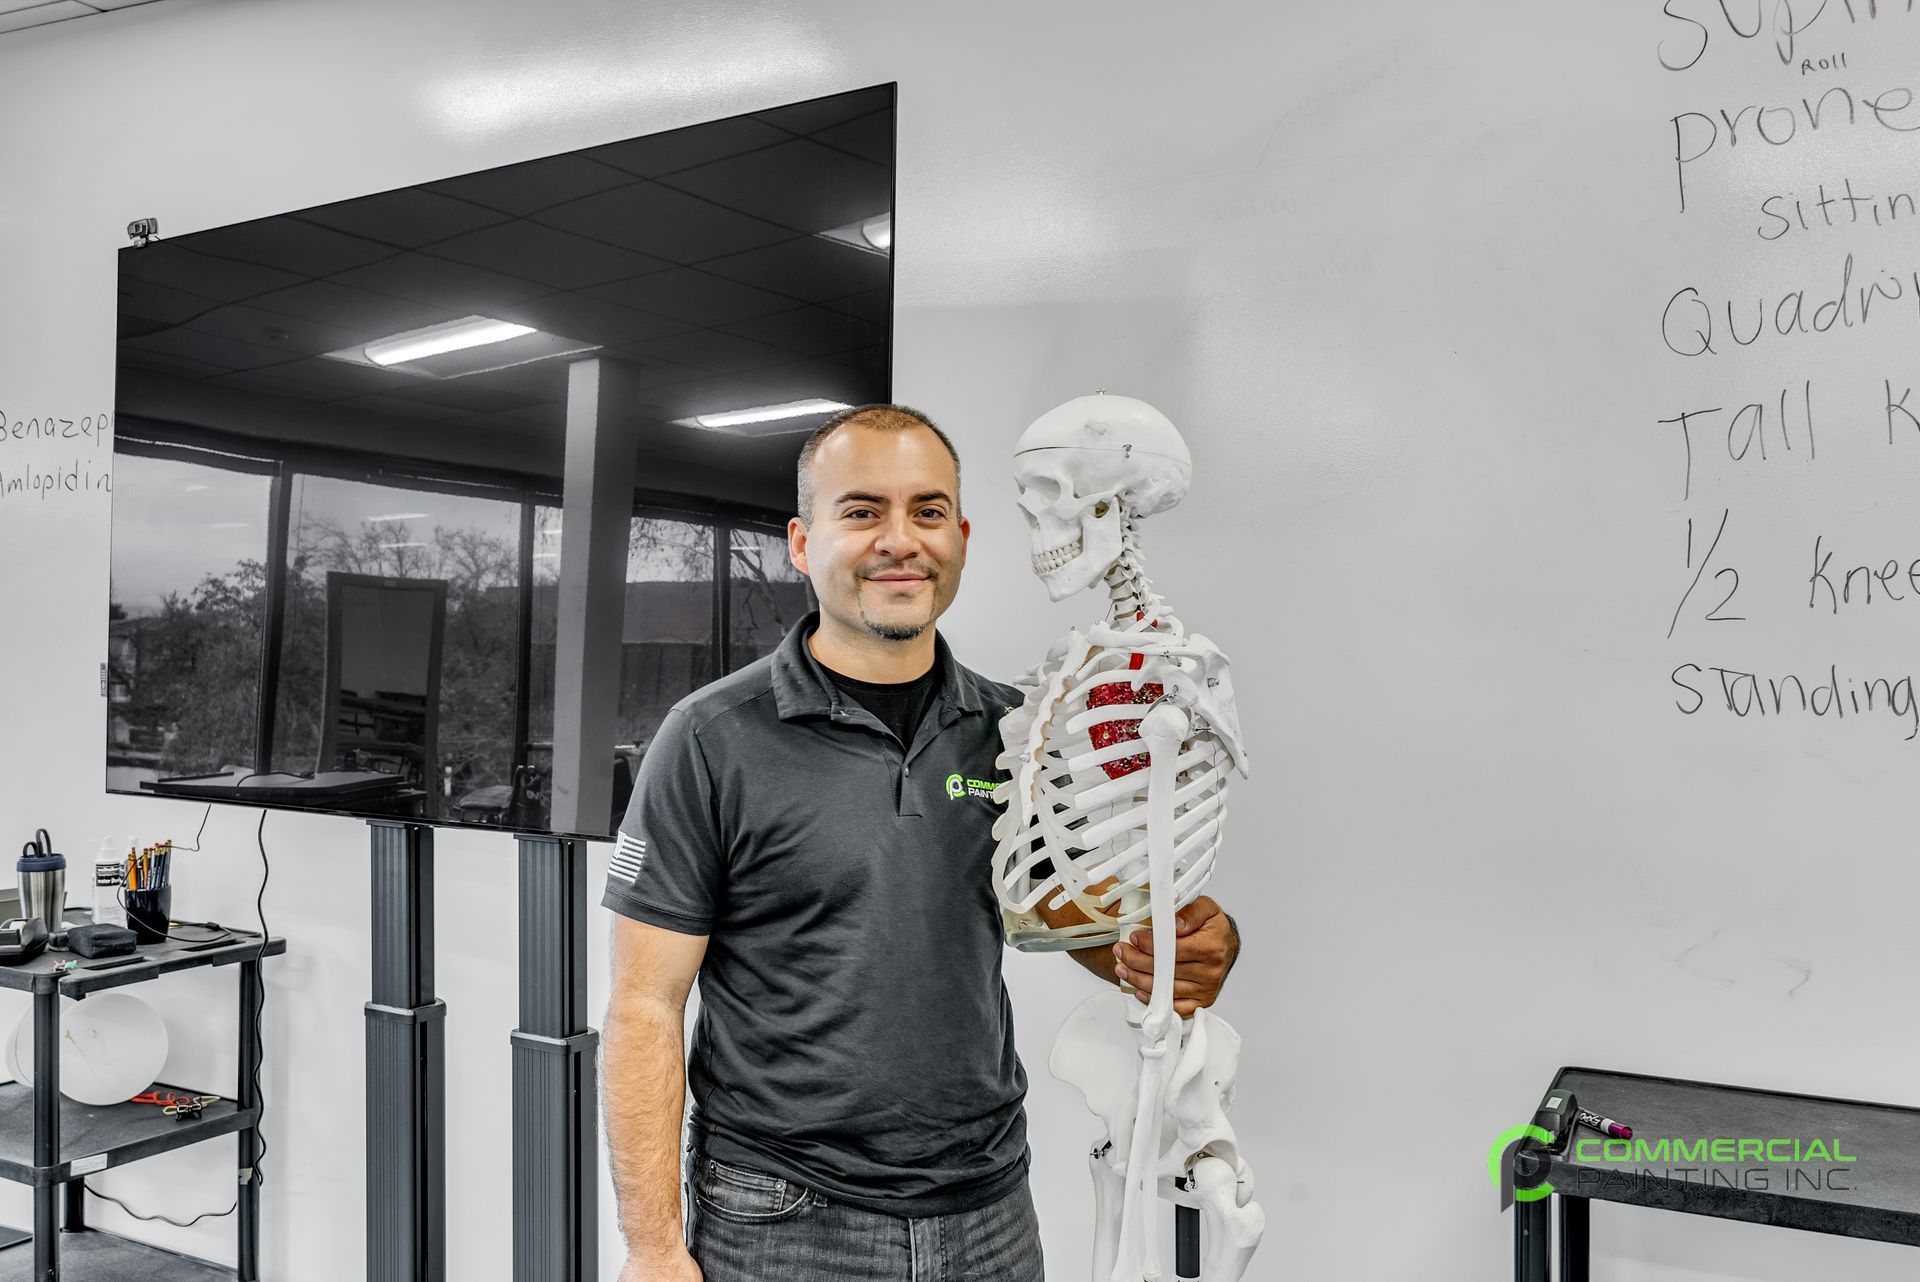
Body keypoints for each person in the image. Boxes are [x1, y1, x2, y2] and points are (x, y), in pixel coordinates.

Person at [603, 404, 1241, 1282]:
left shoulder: (1018, 732)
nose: (900, 540)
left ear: (962, 538)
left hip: (987, 1213)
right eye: (862, 511)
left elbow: (1074, 924)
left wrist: (1175, 948)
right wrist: (652, 1248)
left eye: (928, 512)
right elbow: (645, 1006)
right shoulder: (711, 738)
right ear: (801, 541)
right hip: (785, 1217)